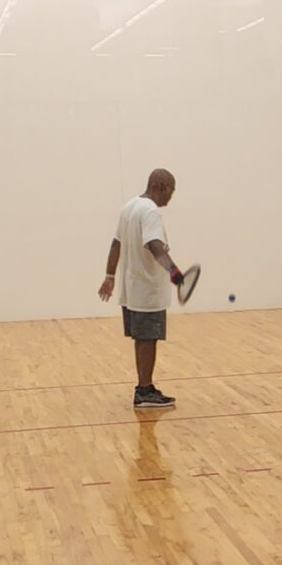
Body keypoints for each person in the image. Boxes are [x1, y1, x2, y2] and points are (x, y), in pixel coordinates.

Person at [98, 168, 189, 409]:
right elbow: (154, 245)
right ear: (160, 186)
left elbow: (116, 243)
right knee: (148, 339)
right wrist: (175, 273)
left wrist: (109, 275)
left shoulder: (130, 207)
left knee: (142, 339)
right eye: (171, 190)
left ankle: (144, 387)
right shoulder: (150, 211)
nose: (171, 196)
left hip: (132, 290)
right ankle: (144, 391)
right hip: (148, 290)